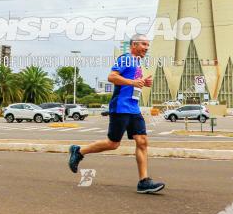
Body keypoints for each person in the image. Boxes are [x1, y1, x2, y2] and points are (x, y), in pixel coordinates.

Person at [68, 34, 164, 193]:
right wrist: (134, 82)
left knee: (142, 141)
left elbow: (130, 84)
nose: (146, 48)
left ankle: (144, 181)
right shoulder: (126, 58)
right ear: (134, 45)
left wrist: (142, 83)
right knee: (113, 143)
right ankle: (78, 151)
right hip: (120, 107)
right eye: (143, 44)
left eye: (148, 45)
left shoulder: (137, 63)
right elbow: (112, 77)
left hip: (133, 108)